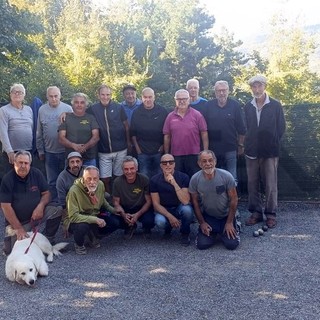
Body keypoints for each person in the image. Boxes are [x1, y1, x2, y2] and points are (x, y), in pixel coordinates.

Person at [0, 150, 63, 255]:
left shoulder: (36, 173)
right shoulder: (7, 179)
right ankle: (26, 240)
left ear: (30, 164)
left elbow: (47, 193)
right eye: (20, 163)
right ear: (14, 163)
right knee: (10, 251)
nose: (23, 166)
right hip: (18, 223)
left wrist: (40, 206)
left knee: (57, 209)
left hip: (36, 216)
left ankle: (47, 238)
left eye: (26, 163)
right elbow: (5, 207)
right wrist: (19, 228)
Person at [244, 75, 286, 228]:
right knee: (252, 183)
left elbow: (281, 128)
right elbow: (246, 128)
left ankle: (270, 214)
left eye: (259, 86)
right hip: (251, 151)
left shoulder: (275, 105)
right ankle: (255, 213)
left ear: (265, 86)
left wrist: (272, 141)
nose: (257, 89)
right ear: (251, 88)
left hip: (270, 151)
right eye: (254, 86)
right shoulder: (248, 106)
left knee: (270, 184)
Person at [189, 150, 240, 250]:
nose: (208, 164)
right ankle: (215, 232)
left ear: (215, 161)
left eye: (210, 160)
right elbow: (195, 202)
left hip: (226, 216)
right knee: (202, 245)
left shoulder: (226, 176)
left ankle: (235, 224)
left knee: (231, 245)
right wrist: (202, 222)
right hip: (209, 217)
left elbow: (234, 199)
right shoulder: (195, 179)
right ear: (199, 164)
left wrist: (229, 222)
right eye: (204, 161)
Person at [65, 166, 119, 255]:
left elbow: (102, 201)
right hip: (77, 220)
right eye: (88, 179)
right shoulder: (73, 191)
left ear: (99, 178)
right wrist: (95, 220)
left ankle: (94, 235)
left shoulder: (100, 184)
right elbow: (73, 216)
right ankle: (79, 244)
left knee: (115, 222)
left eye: (95, 179)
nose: (92, 182)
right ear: (83, 178)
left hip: (94, 215)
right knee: (82, 227)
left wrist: (113, 210)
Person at [87, 84, 131, 194]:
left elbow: (126, 125)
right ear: (98, 95)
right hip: (104, 149)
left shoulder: (118, 107)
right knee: (105, 178)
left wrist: (128, 141)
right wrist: (66, 113)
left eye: (108, 94)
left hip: (120, 148)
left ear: (111, 95)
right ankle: (107, 198)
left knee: (119, 176)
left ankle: (118, 196)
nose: (105, 97)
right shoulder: (93, 109)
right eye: (103, 94)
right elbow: (80, 113)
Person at [205, 80, 246, 183]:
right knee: (214, 178)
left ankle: (233, 199)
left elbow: (241, 128)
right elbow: (203, 128)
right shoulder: (208, 106)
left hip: (230, 148)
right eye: (219, 91)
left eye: (224, 90)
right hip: (213, 149)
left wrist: (241, 145)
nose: (221, 93)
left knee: (232, 178)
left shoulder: (235, 105)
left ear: (228, 91)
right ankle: (218, 199)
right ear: (215, 92)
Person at [36, 86, 73, 202]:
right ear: (47, 97)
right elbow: (39, 131)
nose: (54, 99)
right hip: (49, 152)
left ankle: (68, 203)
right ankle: (54, 206)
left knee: (67, 180)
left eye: (56, 96)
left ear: (60, 95)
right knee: (51, 181)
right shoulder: (42, 110)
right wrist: (40, 150)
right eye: (51, 96)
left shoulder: (68, 108)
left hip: (65, 151)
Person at [150, 154, 194, 246]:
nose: (168, 165)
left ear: (174, 164)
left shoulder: (184, 177)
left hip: (179, 207)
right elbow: (156, 204)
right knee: (160, 221)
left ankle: (185, 233)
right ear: (161, 165)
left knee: (187, 210)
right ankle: (168, 228)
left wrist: (174, 183)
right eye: (164, 163)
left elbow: (185, 201)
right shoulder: (154, 180)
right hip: (164, 209)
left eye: (171, 162)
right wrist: (170, 217)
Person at [163, 89, 208, 178]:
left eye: (184, 99)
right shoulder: (170, 116)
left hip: (194, 154)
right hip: (176, 156)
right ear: (175, 100)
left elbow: (204, 133)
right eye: (179, 99)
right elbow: (167, 136)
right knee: (179, 180)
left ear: (189, 100)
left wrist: (205, 152)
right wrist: (167, 153)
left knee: (194, 180)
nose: (182, 101)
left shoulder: (197, 115)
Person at [112, 156, 154, 239]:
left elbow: (149, 201)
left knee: (150, 220)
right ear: (123, 170)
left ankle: (146, 228)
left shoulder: (144, 179)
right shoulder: (117, 182)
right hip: (125, 208)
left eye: (132, 168)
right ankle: (129, 227)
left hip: (141, 208)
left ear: (137, 168)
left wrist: (137, 215)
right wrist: (124, 215)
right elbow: (116, 202)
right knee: (114, 221)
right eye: (126, 169)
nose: (129, 171)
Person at [130, 87, 168, 178]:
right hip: (142, 152)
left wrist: (163, 146)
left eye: (150, 97)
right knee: (144, 176)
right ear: (141, 98)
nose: (148, 99)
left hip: (158, 151)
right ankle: (146, 193)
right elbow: (133, 134)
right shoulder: (136, 112)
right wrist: (138, 150)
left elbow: (167, 132)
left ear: (154, 97)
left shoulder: (162, 111)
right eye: (145, 97)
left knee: (159, 176)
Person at [58, 93, 99, 166]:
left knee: (91, 177)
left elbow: (96, 137)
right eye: (76, 102)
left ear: (86, 105)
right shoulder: (65, 118)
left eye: (82, 102)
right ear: (72, 104)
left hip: (89, 158)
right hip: (71, 159)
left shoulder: (91, 118)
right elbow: (61, 138)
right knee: (71, 178)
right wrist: (73, 146)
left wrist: (84, 147)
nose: (79, 105)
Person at [0, 84, 33, 169]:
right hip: (12, 152)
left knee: (26, 178)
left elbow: (32, 128)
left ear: (24, 95)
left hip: (27, 151)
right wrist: (9, 151)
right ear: (10, 94)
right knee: (10, 179)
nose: (17, 94)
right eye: (14, 92)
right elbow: (2, 132)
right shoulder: (4, 110)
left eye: (20, 92)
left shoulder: (29, 109)